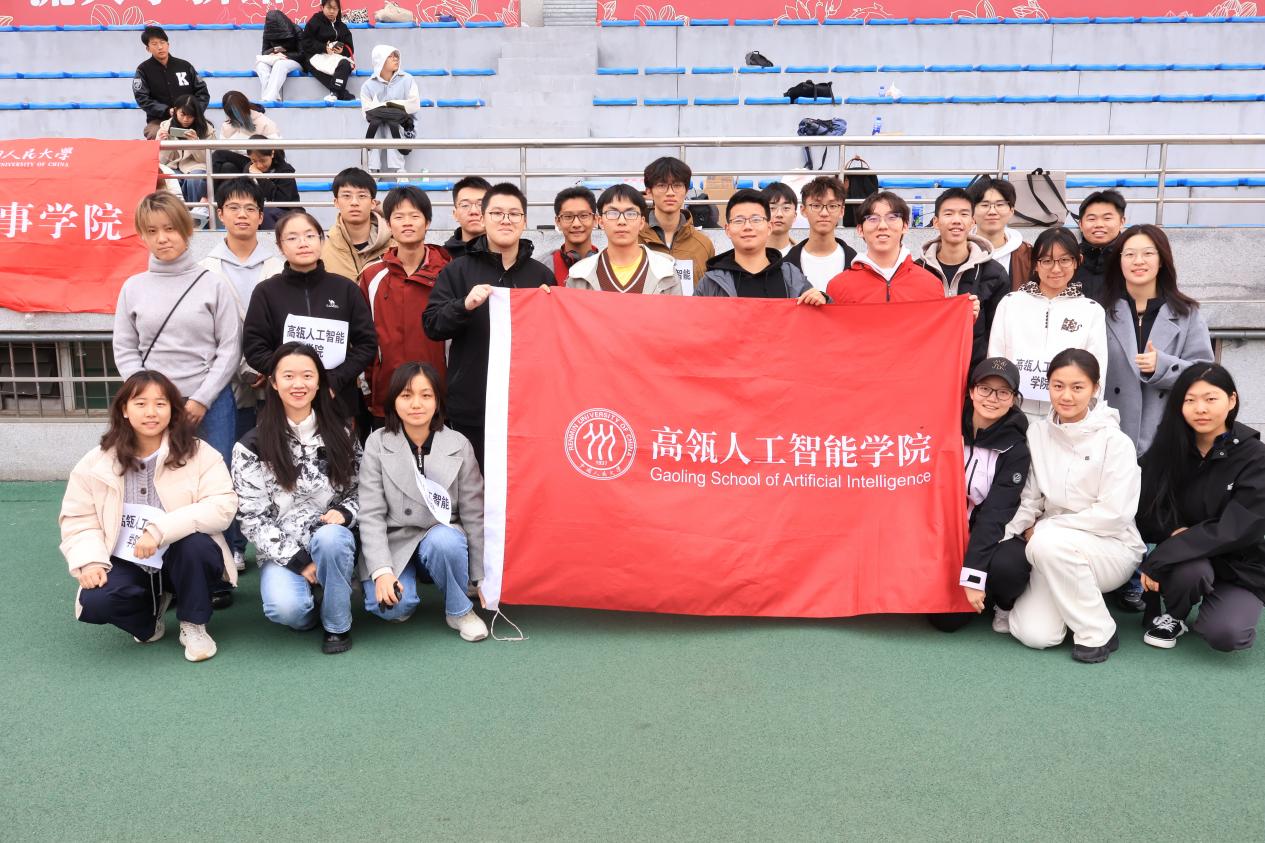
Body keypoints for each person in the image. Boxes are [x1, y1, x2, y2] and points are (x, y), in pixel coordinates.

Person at [60, 372, 237, 662]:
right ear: (124, 410)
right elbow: (79, 517)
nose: (151, 412)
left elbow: (222, 506)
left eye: (160, 403)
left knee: (197, 546)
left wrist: (159, 530)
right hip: (127, 559)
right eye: (140, 403)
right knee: (96, 600)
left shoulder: (199, 453)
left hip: (180, 556)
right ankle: (147, 619)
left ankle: (193, 623)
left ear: (173, 410)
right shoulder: (96, 461)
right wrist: (89, 560)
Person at [1001, 349, 1146, 663]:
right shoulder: (1038, 433)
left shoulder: (1115, 442)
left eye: (1077, 387)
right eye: (1058, 386)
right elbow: (1030, 498)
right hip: (1049, 548)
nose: (1066, 396)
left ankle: (1098, 632)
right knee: (1035, 635)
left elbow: (1115, 515)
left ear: (1095, 388)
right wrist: (1001, 534)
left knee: (1048, 542)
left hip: (1111, 547)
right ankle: (1074, 606)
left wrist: (1047, 528)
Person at [113, 193, 241, 513]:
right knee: (154, 478)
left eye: (170, 228)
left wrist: (202, 399)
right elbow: (125, 348)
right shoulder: (133, 287)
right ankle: (157, 540)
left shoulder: (213, 284)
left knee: (217, 478)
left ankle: (223, 542)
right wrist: (147, 395)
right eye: (152, 231)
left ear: (186, 229)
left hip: (210, 402)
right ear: (142, 236)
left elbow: (230, 348)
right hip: (153, 404)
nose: (162, 238)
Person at [232, 343, 361, 654]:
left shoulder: (342, 433)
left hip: (333, 543)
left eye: (307, 375)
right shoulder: (251, 445)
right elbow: (251, 518)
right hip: (283, 552)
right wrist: (300, 562)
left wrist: (345, 513)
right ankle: (316, 604)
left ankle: (337, 623)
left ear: (319, 382)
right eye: (288, 376)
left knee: (332, 538)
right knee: (287, 610)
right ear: (274, 383)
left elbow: (363, 490)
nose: (298, 384)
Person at [423, 182, 554, 467]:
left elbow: (555, 341)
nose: (506, 220)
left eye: (514, 214)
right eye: (497, 213)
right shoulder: (457, 270)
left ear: (524, 221)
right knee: (472, 485)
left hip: (527, 405)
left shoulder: (542, 275)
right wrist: (464, 305)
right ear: (483, 218)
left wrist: (550, 310)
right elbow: (432, 325)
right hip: (472, 405)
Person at [357, 362, 490, 641]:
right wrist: (381, 571)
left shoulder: (459, 443)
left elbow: (474, 512)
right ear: (394, 400)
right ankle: (404, 582)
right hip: (395, 539)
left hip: (442, 536)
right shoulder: (377, 443)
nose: (416, 404)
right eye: (406, 395)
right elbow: (370, 513)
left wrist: (480, 576)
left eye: (426, 395)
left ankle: (459, 611)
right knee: (393, 610)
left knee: (445, 541)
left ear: (438, 401)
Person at [1137, 364, 1265, 652]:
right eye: (1190, 400)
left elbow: (1240, 527)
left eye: (1210, 399)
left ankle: (1220, 607)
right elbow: (1144, 508)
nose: (1200, 409)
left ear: (1231, 400)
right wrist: (1171, 532)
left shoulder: (1255, 457)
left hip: (1238, 564)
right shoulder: (1168, 448)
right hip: (1188, 561)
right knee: (1191, 572)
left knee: (1227, 635)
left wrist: (1166, 552)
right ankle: (1176, 615)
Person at [199, 178, 283, 569]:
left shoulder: (277, 264)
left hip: (275, 379)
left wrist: (267, 366)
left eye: (250, 208)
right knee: (228, 461)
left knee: (275, 461)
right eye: (233, 207)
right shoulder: (206, 268)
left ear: (261, 216)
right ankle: (233, 543)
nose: (242, 215)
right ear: (220, 214)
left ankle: (275, 540)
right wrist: (241, 368)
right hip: (225, 382)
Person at [243, 211, 377, 423]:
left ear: (321, 240)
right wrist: (289, 377)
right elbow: (254, 348)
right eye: (292, 238)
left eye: (310, 235)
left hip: (338, 400)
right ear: (280, 246)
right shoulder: (266, 292)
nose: (303, 243)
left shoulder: (345, 289)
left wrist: (333, 381)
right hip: (285, 402)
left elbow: (366, 344)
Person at [929, 357, 1031, 634]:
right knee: (945, 622)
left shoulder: (1016, 448)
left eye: (1003, 392)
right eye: (985, 389)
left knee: (1008, 567)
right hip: (943, 529)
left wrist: (972, 575)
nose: (992, 398)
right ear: (972, 391)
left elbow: (995, 514)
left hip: (988, 533)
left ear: (1013, 399)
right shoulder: (946, 426)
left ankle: (1003, 602)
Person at [1099, 224, 1213, 456]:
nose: (1138, 261)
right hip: (1109, 434)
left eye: (1148, 253)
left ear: (1161, 260)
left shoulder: (1186, 314)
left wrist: (1162, 366)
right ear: (1119, 261)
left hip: (1166, 433)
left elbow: (1205, 373)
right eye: (1129, 254)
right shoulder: (1100, 311)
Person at [988, 227, 1108, 425]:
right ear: (1035, 264)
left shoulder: (1091, 310)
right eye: (1046, 260)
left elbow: (1097, 368)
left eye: (1064, 260)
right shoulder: (1011, 302)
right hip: (1013, 413)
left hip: (1066, 416)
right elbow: (996, 357)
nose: (1056, 269)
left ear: (1077, 261)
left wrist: (1083, 417)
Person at [358, 186, 452, 426]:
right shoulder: (372, 275)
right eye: (399, 217)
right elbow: (362, 337)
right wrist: (369, 390)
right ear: (388, 224)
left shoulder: (449, 273)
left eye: (415, 216)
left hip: (438, 397)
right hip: (387, 396)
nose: (407, 223)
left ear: (427, 222)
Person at [917, 187, 1010, 369]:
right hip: (925, 369)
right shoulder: (917, 270)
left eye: (964, 214)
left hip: (973, 373)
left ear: (972, 221)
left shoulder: (994, 273)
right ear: (936, 222)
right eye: (949, 214)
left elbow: (997, 334)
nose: (956, 220)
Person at [696, 189, 823, 304]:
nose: (748, 227)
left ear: (769, 227)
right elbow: (694, 320)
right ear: (728, 230)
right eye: (739, 220)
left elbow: (819, 316)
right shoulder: (711, 282)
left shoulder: (791, 276)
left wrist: (822, 300)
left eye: (756, 219)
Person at [825, 191, 945, 304]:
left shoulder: (931, 285)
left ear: (905, 226)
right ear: (860, 229)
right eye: (872, 219)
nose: (882, 226)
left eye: (892, 217)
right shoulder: (839, 286)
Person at [567, 184, 680, 295]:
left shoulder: (666, 271)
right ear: (600, 221)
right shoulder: (579, 274)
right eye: (612, 213)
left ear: (641, 222)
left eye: (630, 214)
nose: (622, 221)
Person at [638, 156, 715, 293]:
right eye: (662, 185)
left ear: (686, 191)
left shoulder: (704, 244)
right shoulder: (634, 240)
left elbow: (710, 293)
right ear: (649, 191)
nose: (670, 193)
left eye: (677, 185)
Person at [133, 25, 209, 140]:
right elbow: (142, 98)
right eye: (154, 44)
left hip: (189, 118)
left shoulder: (185, 66)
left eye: (162, 42)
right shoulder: (143, 70)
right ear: (148, 49)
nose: (160, 47)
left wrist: (193, 112)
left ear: (168, 44)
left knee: (208, 130)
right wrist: (166, 111)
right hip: (159, 120)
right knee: (155, 133)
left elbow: (202, 93)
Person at [784, 175, 858, 292]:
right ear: (803, 210)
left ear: (842, 211)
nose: (824, 213)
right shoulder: (786, 264)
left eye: (832, 206)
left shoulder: (856, 263)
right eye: (816, 206)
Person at [321, 167, 391, 282]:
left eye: (362, 196)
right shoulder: (323, 251)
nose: (354, 202)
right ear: (336, 202)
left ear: (373, 203)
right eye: (346, 196)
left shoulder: (395, 246)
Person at [360, 44, 421, 175]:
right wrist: (392, 110)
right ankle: (373, 170)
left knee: (391, 122)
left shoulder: (408, 79)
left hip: (404, 126)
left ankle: (399, 170)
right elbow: (366, 113)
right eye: (390, 56)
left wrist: (386, 105)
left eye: (396, 56)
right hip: (378, 127)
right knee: (376, 123)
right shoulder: (367, 86)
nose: (396, 59)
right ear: (380, 60)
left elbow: (414, 105)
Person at [156, 94, 216, 219]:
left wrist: (196, 143)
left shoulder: (206, 129)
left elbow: (209, 159)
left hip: (196, 166)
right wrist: (162, 142)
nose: (186, 119)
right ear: (175, 111)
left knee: (195, 178)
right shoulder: (165, 127)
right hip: (172, 166)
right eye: (182, 114)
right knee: (168, 178)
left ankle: (197, 217)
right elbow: (161, 160)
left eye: (190, 116)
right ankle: (174, 218)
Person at [967, 176, 1031, 292]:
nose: (992, 211)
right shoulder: (959, 249)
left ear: (1011, 211)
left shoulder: (1027, 254)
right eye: (984, 205)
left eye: (1000, 204)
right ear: (972, 211)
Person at [1073, 189, 1127, 300]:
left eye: (1107, 218)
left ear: (1122, 222)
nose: (1099, 224)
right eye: (1091, 219)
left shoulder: (1132, 258)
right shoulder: (1069, 258)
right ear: (1081, 224)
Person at [212, 90, 281, 176]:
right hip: (237, 165)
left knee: (219, 154)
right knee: (227, 167)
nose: (237, 118)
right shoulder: (226, 125)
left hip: (257, 162)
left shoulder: (265, 123)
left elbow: (277, 152)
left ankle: (207, 183)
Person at [300, 0, 356, 102]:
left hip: (335, 57)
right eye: (329, 8)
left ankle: (335, 93)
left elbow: (350, 48)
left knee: (346, 64)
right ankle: (341, 94)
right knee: (315, 67)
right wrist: (323, 48)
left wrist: (342, 51)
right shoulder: (314, 22)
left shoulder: (342, 26)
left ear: (338, 10)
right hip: (315, 57)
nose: (332, 11)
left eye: (335, 8)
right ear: (322, 7)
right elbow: (305, 42)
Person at [541, 187, 598, 284]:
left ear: (595, 220)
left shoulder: (608, 265)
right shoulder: (542, 267)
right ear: (558, 222)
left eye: (584, 216)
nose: (576, 224)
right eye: (568, 216)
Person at [243, 138, 301, 229]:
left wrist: (260, 177)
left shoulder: (285, 170)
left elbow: (281, 201)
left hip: (287, 213)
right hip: (260, 213)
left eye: (263, 160)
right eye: (254, 161)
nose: (259, 165)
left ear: (272, 153)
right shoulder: (249, 169)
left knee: (265, 212)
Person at [255, 9, 305, 103]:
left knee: (280, 64)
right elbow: (264, 52)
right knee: (260, 65)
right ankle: (270, 97)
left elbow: (302, 54)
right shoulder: (268, 33)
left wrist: (284, 55)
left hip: (295, 62)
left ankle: (269, 99)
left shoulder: (297, 30)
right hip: (275, 59)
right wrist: (274, 50)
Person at [445, 175, 490, 259]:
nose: (474, 211)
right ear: (455, 214)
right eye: (465, 205)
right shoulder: (442, 257)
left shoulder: (506, 253)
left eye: (481, 204)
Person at [761, 182, 799, 255]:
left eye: (786, 208)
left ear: (794, 216)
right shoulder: (747, 256)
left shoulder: (803, 255)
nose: (779, 214)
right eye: (772, 208)